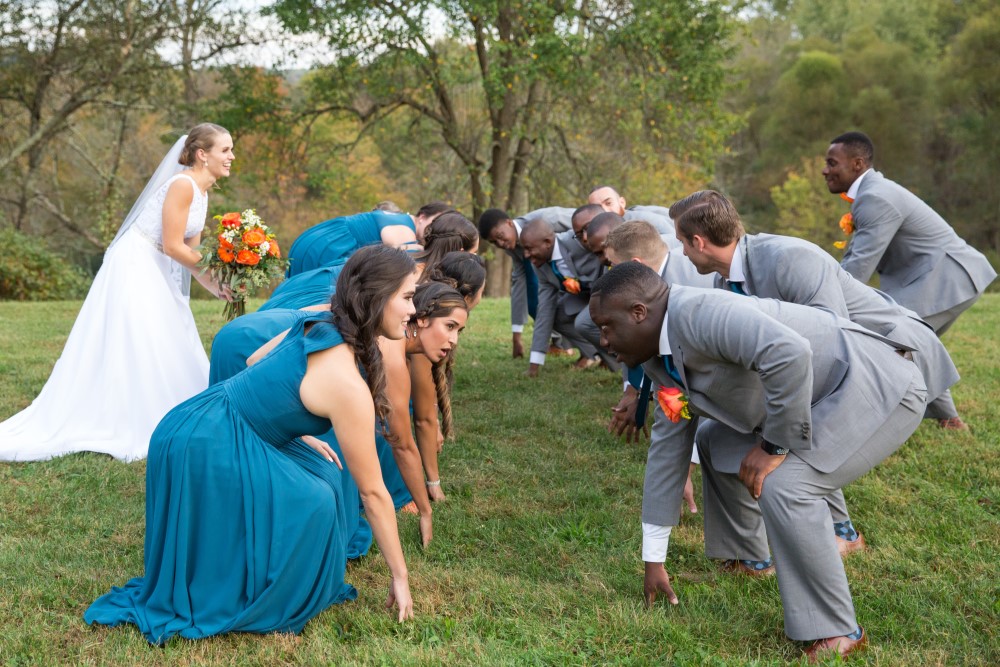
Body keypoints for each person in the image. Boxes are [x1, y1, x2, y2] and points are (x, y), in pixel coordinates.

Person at [589, 261, 926, 661]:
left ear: (639, 312)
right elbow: (667, 452)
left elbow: (790, 353)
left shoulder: (700, 313)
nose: (603, 341)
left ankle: (839, 632)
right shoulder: (656, 357)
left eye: (607, 326)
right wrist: (653, 560)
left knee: (787, 483)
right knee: (712, 438)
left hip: (879, 387)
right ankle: (752, 557)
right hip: (821, 399)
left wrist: (771, 448)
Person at [84, 246, 419, 644]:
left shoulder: (324, 320)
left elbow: (254, 361)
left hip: (205, 416)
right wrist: (400, 575)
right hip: (202, 444)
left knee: (325, 477)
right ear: (378, 296)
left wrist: (296, 427)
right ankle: (252, 585)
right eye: (408, 297)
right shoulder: (346, 383)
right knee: (314, 497)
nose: (414, 309)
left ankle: (263, 567)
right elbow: (373, 493)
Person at [0, 124, 234, 462]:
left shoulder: (203, 191)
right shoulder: (183, 186)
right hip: (136, 263)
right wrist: (217, 270)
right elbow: (171, 245)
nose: (231, 156)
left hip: (158, 262)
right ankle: (129, 414)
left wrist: (215, 285)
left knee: (169, 332)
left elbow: (189, 253)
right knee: (143, 336)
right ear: (202, 154)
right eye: (225, 150)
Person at [823, 131, 996, 354]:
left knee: (885, 345)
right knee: (906, 352)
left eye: (832, 163)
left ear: (857, 164)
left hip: (945, 278)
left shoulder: (875, 197)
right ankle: (929, 390)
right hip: (943, 277)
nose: (825, 170)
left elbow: (858, 266)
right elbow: (855, 256)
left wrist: (822, 301)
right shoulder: (873, 192)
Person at [409, 253, 487, 501]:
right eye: (481, 292)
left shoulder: (428, 310)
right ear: (467, 298)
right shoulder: (420, 337)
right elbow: (422, 420)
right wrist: (433, 483)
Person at [478, 207, 573, 358]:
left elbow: (590, 223)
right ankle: (561, 344)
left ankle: (593, 353)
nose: (500, 243)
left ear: (509, 223)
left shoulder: (548, 219)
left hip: (587, 269)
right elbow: (519, 283)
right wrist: (516, 337)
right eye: (494, 242)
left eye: (500, 236)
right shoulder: (512, 246)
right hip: (558, 280)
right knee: (537, 304)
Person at [519, 219, 602, 376]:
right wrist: (534, 365)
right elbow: (544, 310)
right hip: (582, 298)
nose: (526, 254)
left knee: (584, 321)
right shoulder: (539, 264)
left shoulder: (578, 242)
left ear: (548, 242)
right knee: (556, 313)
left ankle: (620, 357)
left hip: (607, 293)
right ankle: (597, 354)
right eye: (524, 249)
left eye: (529, 249)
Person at [286, 201, 454, 276]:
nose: (437, 229)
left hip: (322, 238)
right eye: (436, 222)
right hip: (329, 247)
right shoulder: (405, 228)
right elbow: (411, 262)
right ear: (422, 217)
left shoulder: (402, 220)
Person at [587, 185, 673, 232]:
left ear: (622, 202)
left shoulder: (645, 220)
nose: (605, 210)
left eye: (609, 203)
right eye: (597, 207)